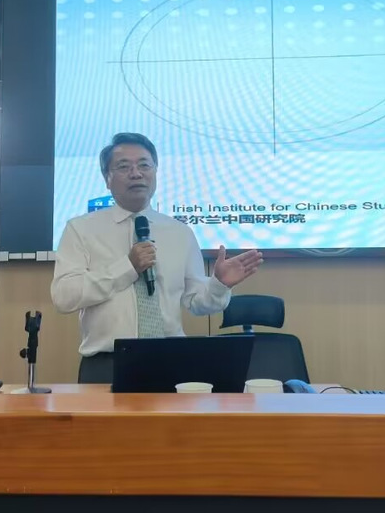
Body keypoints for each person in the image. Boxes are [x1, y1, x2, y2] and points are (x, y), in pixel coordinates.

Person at [51, 132, 264, 383]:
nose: (136, 173)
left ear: (155, 172)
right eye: (124, 167)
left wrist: (219, 285)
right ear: (107, 178)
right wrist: (128, 267)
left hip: (170, 360)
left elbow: (198, 303)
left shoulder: (179, 232)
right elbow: (64, 297)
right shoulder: (81, 229)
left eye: (144, 165)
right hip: (106, 364)